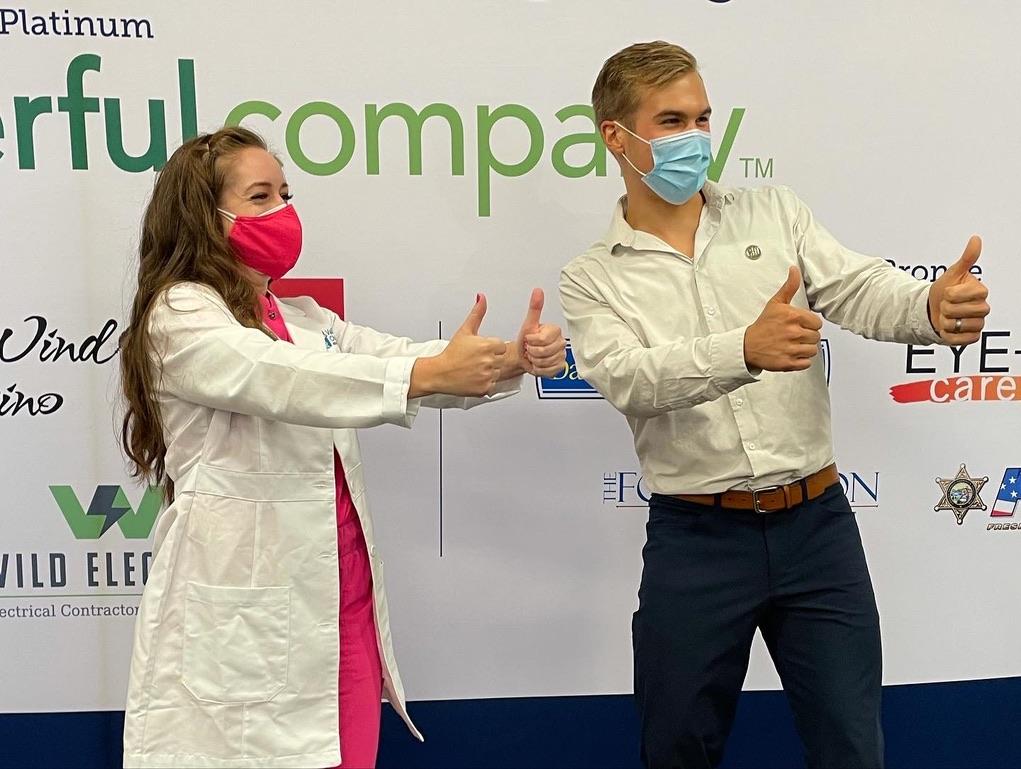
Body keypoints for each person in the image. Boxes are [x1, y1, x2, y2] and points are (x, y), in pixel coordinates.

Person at [559, 41, 989, 769]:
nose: (695, 137)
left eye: (702, 118)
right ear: (616, 137)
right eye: (671, 121)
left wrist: (927, 306)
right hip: (696, 540)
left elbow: (858, 288)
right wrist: (743, 349)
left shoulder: (773, 212)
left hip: (816, 528)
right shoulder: (592, 276)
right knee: (677, 748)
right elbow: (628, 379)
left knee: (852, 746)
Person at [118, 125, 566, 769]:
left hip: (339, 597)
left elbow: (397, 359)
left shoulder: (305, 318)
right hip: (241, 611)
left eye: (285, 194)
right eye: (260, 197)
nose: (282, 211)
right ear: (202, 216)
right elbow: (283, 378)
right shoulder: (181, 313)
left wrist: (511, 358)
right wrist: (429, 372)